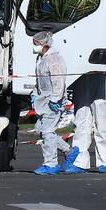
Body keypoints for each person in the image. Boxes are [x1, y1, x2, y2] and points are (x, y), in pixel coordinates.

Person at [64, 36, 106, 174]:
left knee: (102, 123)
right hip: (82, 81)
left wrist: (100, 67)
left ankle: (105, 161)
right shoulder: (80, 38)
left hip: (102, 82)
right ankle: (79, 161)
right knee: (81, 122)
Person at [30, 31, 72, 175]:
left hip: (53, 100)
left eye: (35, 44)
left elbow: (58, 81)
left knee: (47, 132)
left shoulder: (54, 59)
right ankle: (68, 150)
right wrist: (35, 95)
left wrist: (55, 99)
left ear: (43, 44)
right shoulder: (41, 58)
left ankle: (51, 164)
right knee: (42, 130)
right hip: (43, 100)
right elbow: (40, 81)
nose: (34, 47)